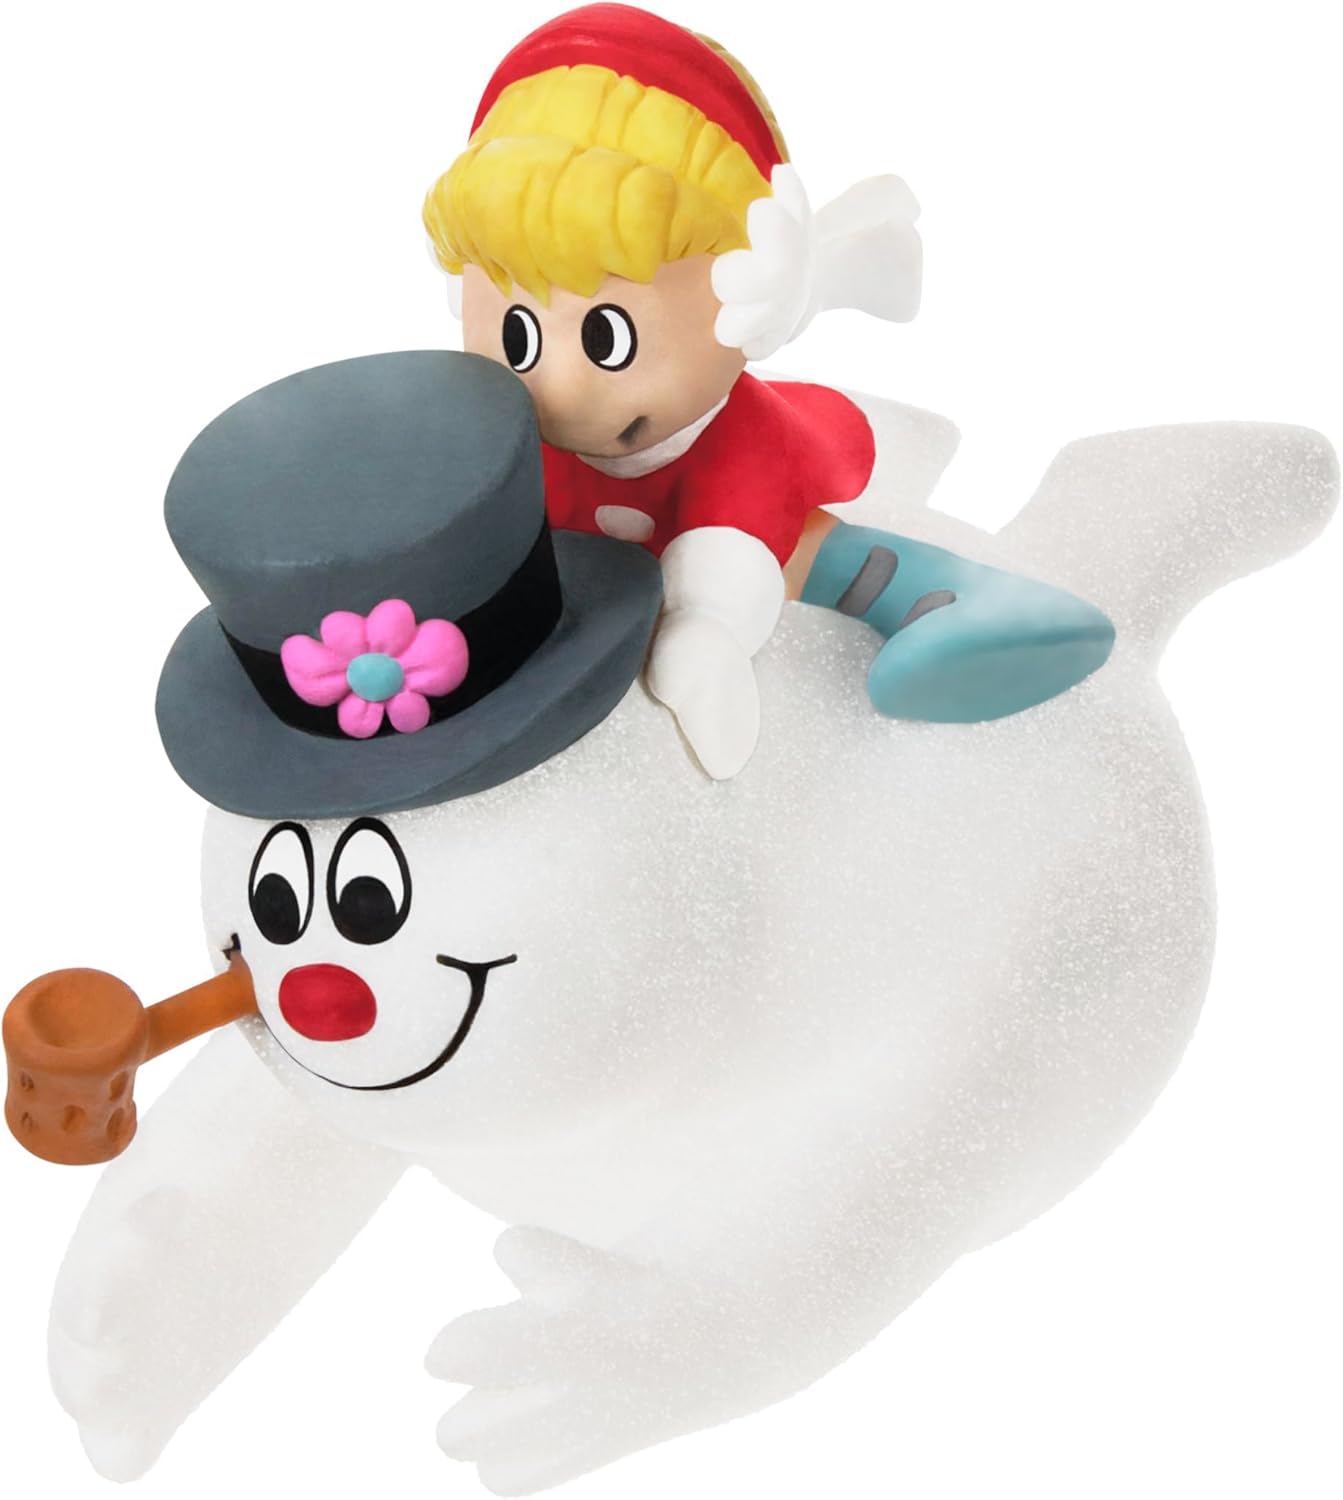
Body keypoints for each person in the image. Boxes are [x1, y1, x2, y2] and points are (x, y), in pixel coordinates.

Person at [424, 3, 1114, 777]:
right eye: (518, 336)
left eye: (604, 338)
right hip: (590, 557)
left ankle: (975, 607)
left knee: (811, 552)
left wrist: (706, 631)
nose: (559, 387)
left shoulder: (738, 442)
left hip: (733, 528)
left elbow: (731, 540)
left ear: (748, 292)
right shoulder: (518, 440)